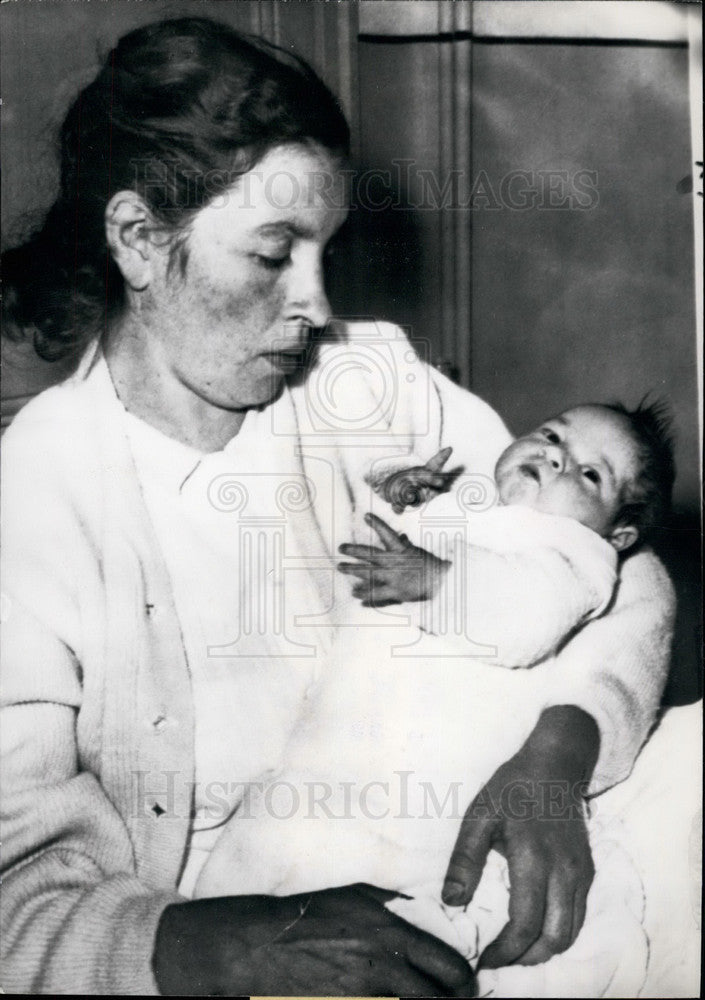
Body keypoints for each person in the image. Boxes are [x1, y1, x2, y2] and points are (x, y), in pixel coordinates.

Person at [0, 16, 675, 996]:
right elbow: (15, 898)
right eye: (275, 256)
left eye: (327, 252)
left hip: (457, 836)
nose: (317, 307)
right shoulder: (35, 500)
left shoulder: (363, 381)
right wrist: (233, 943)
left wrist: (561, 751)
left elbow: (615, 561)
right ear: (140, 239)